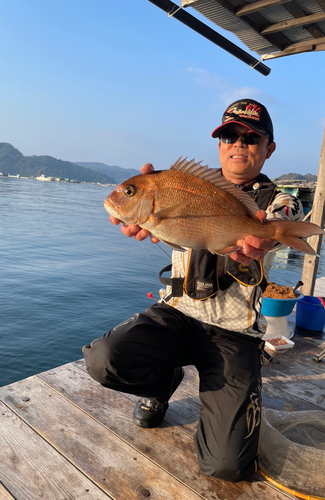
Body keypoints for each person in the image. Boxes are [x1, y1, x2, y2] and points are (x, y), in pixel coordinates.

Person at [83, 98, 303, 483]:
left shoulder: (273, 200)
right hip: (178, 315)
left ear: (269, 148)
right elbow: (152, 216)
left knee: (226, 466)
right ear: (219, 145)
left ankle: (223, 403)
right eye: (230, 135)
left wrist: (269, 231)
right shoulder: (185, 184)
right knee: (103, 358)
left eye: (252, 138)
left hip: (235, 333)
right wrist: (141, 211)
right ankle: (163, 381)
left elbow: (288, 213)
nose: (239, 143)